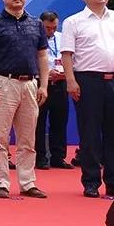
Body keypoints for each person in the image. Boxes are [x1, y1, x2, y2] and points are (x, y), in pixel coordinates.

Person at [0, 0, 49, 199]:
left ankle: (28, 183)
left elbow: (42, 56)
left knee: (28, 139)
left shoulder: (36, 23)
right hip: (4, 83)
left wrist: (43, 84)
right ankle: (1, 183)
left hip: (30, 84)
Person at [60, 0, 114, 198]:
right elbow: (67, 54)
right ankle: (91, 181)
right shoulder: (73, 21)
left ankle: (113, 182)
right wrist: (71, 81)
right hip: (87, 81)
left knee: (113, 133)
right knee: (90, 132)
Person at [36, 11, 71, 169]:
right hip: (41, 84)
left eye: (54, 27)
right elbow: (29, 60)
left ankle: (58, 157)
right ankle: (40, 157)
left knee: (60, 121)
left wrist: (66, 73)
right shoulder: (34, 38)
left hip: (61, 84)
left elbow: (70, 57)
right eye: (47, 28)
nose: (51, 31)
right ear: (41, 24)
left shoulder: (62, 37)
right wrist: (46, 72)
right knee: (39, 122)